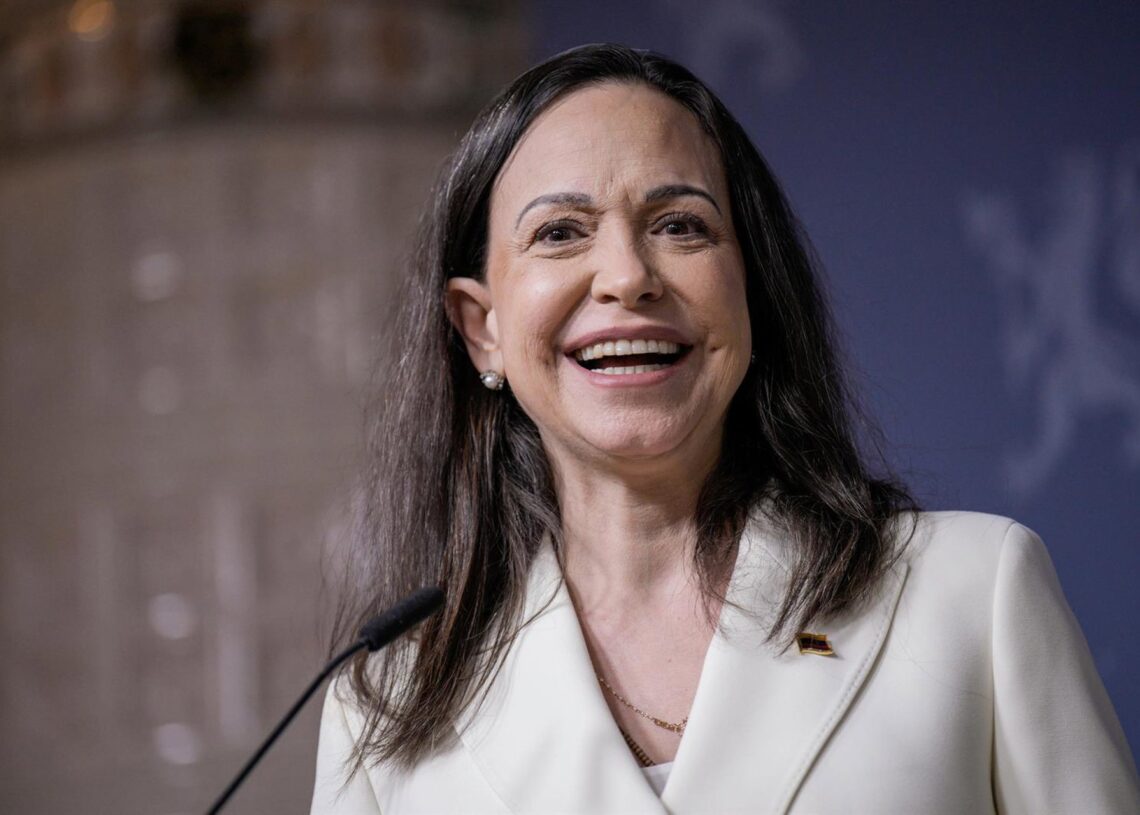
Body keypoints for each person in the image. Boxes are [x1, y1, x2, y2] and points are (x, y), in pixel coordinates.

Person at [311, 44, 1139, 813]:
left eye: (681, 225)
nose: (627, 275)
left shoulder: (973, 593)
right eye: (560, 233)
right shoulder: (387, 704)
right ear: (481, 328)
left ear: (751, 290)